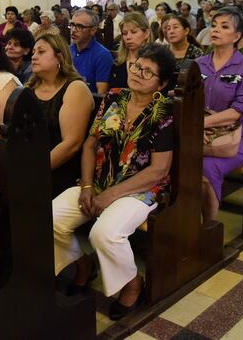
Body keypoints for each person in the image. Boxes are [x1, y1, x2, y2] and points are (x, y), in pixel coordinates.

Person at [52, 43, 175, 319]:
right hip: (98, 180)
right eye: (136, 66)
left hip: (140, 189)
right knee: (51, 217)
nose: (138, 73)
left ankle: (133, 284)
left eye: (148, 72)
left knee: (104, 233)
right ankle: (83, 267)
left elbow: (159, 170)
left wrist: (111, 196)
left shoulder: (164, 110)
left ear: (163, 82)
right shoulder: (114, 97)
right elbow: (89, 145)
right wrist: (86, 186)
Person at [196, 7, 243, 223]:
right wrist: (194, 128)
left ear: (237, 35)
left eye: (224, 26)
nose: (216, 30)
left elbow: (239, 111)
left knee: (205, 167)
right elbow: (186, 101)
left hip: (236, 133)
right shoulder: (198, 64)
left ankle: (209, 226)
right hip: (198, 129)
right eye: (213, 25)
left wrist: (199, 125)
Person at [28, 33, 94, 197]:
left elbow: (71, 144)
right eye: (33, 53)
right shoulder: (29, 89)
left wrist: (33, 172)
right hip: (31, 163)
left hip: (61, 170)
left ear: (59, 57)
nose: (34, 57)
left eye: (41, 52)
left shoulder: (75, 88)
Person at [69, 8, 113, 94]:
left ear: (93, 30)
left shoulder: (102, 55)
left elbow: (101, 95)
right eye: (72, 25)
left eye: (79, 26)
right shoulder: (68, 50)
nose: (73, 30)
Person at [109, 13, 152, 89]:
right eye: (124, 33)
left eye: (134, 32)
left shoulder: (155, 63)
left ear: (146, 33)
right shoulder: (117, 62)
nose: (128, 37)